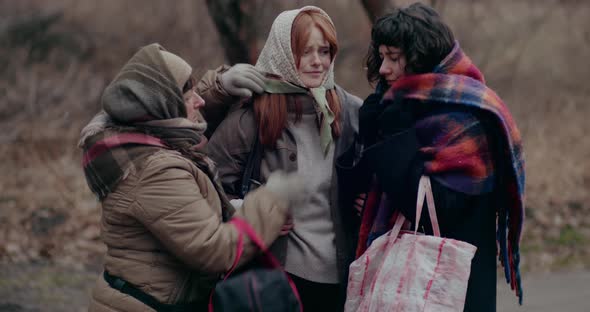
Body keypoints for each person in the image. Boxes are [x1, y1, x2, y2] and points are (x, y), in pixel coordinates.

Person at [79, 43, 306, 311]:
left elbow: (176, 108)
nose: (199, 101)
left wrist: (221, 85)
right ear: (164, 110)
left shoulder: (135, 138)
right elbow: (215, 251)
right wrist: (269, 201)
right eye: (188, 97)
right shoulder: (154, 169)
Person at [339, 3, 525, 311]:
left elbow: (436, 207)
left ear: (421, 59)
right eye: (382, 56)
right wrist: (370, 130)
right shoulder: (395, 105)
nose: (384, 68)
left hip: (451, 289)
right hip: (402, 279)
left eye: (394, 58)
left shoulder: (467, 117)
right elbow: (354, 188)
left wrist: (394, 138)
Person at [199, 6, 362, 311]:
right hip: (274, 276)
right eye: (305, 51)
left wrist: (369, 201)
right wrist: (249, 208)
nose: (317, 62)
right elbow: (205, 184)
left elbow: (376, 174)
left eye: (324, 51)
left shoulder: (352, 113)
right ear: (285, 54)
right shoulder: (252, 115)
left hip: (342, 276)